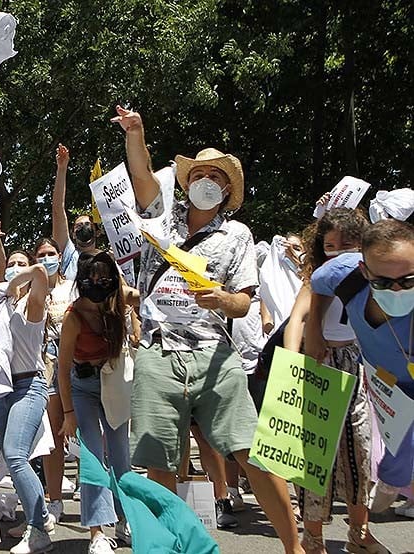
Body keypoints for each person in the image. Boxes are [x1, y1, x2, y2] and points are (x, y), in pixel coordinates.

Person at [111, 105, 303, 553]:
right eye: (201, 174)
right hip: (158, 353)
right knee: (157, 459)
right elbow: (140, 176)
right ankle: (168, 546)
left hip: (215, 355)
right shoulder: (160, 218)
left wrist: (223, 300)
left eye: (217, 178)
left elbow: (244, 301)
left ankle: (295, 546)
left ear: (227, 190)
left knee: (249, 449)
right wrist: (136, 132)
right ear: (187, 180)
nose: (207, 182)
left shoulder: (237, 234)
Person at [283, 209, 384, 553]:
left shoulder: (374, 277)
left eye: (348, 243)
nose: (338, 250)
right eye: (330, 245)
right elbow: (297, 319)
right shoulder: (316, 280)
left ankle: (360, 533)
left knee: (361, 451)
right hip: (320, 367)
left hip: (359, 368)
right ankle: (312, 540)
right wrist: (295, 361)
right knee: (315, 455)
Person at [306, 219, 414, 520]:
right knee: (398, 438)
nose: (396, 289)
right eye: (383, 282)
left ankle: (395, 476)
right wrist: (314, 326)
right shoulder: (341, 274)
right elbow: (318, 286)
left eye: (408, 280)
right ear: (364, 271)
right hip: (386, 382)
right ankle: (395, 476)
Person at [56, 251, 132, 553]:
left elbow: (139, 293)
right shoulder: (73, 318)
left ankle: (126, 520)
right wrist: (69, 413)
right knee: (91, 458)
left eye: (105, 277)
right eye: (92, 276)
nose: (98, 282)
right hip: (82, 387)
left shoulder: (117, 305)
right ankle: (97, 532)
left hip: (112, 383)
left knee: (121, 457)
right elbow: (62, 371)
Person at [0, 252, 54, 554]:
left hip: (29, 384)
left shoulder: (33, 304)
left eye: (20, 263)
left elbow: (41, 271)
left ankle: (40, 527)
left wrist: (15, 280)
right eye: (11, 264)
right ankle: (35, 516)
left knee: (16, 455)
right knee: (12, 456)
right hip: (4, 389)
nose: (16, 269)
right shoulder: (2, 306)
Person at [27, 238, 77, 527]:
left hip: (77, 359)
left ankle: (103, 500)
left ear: (60, 256)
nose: (46, 258)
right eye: (41, 254)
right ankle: (54, 499)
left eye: (51, 254)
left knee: (89, 433)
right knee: (54, 435)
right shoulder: (32, 291)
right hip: (46, 363)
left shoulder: (73, 286)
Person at [51, 143, 100, 280]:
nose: (83, 227)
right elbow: (57, 210)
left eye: (87, 224)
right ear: (72, 234)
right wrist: (62, 169)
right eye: (78, 226)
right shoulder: (68, 254)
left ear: (97, 231)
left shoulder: (107, 260)